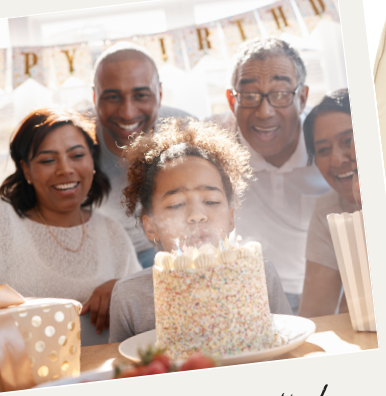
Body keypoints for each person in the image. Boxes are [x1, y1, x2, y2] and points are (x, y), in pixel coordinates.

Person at [109, 119, 291, 345]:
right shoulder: (130, 297)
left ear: (231, 217)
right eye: (176, 204)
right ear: (150, 226)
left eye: (211, 201)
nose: (197, 215)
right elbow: (123, 372)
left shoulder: (260, 274)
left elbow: (285, 345)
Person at [0, 108, 141, 345]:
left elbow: (141, 319)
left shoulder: (112, 232)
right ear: (27, 170)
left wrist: (122, 289)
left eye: (77, 155)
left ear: (92, 160)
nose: (65, 169)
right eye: (48, 160)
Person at [224, 38, 329, 313]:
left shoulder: (328, 146)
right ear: (231, 100)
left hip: (325, 292)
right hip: (249, 298)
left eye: (280, 94)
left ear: (303, 97)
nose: (265, 111)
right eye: (249, 96)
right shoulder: (216, 147)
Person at [90, 41, 192, 268]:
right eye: (113, 97)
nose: (128, 112)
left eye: (141, 95)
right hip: (99, 259)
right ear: (95, 98)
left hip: (171, 255)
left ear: (160, 93)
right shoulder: (77, 138)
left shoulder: (188, 134)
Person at [298, 90, 363, 318]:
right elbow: (315, 315)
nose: (337, 160)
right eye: (323, 150)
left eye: (348, 141)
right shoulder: (328, 210)